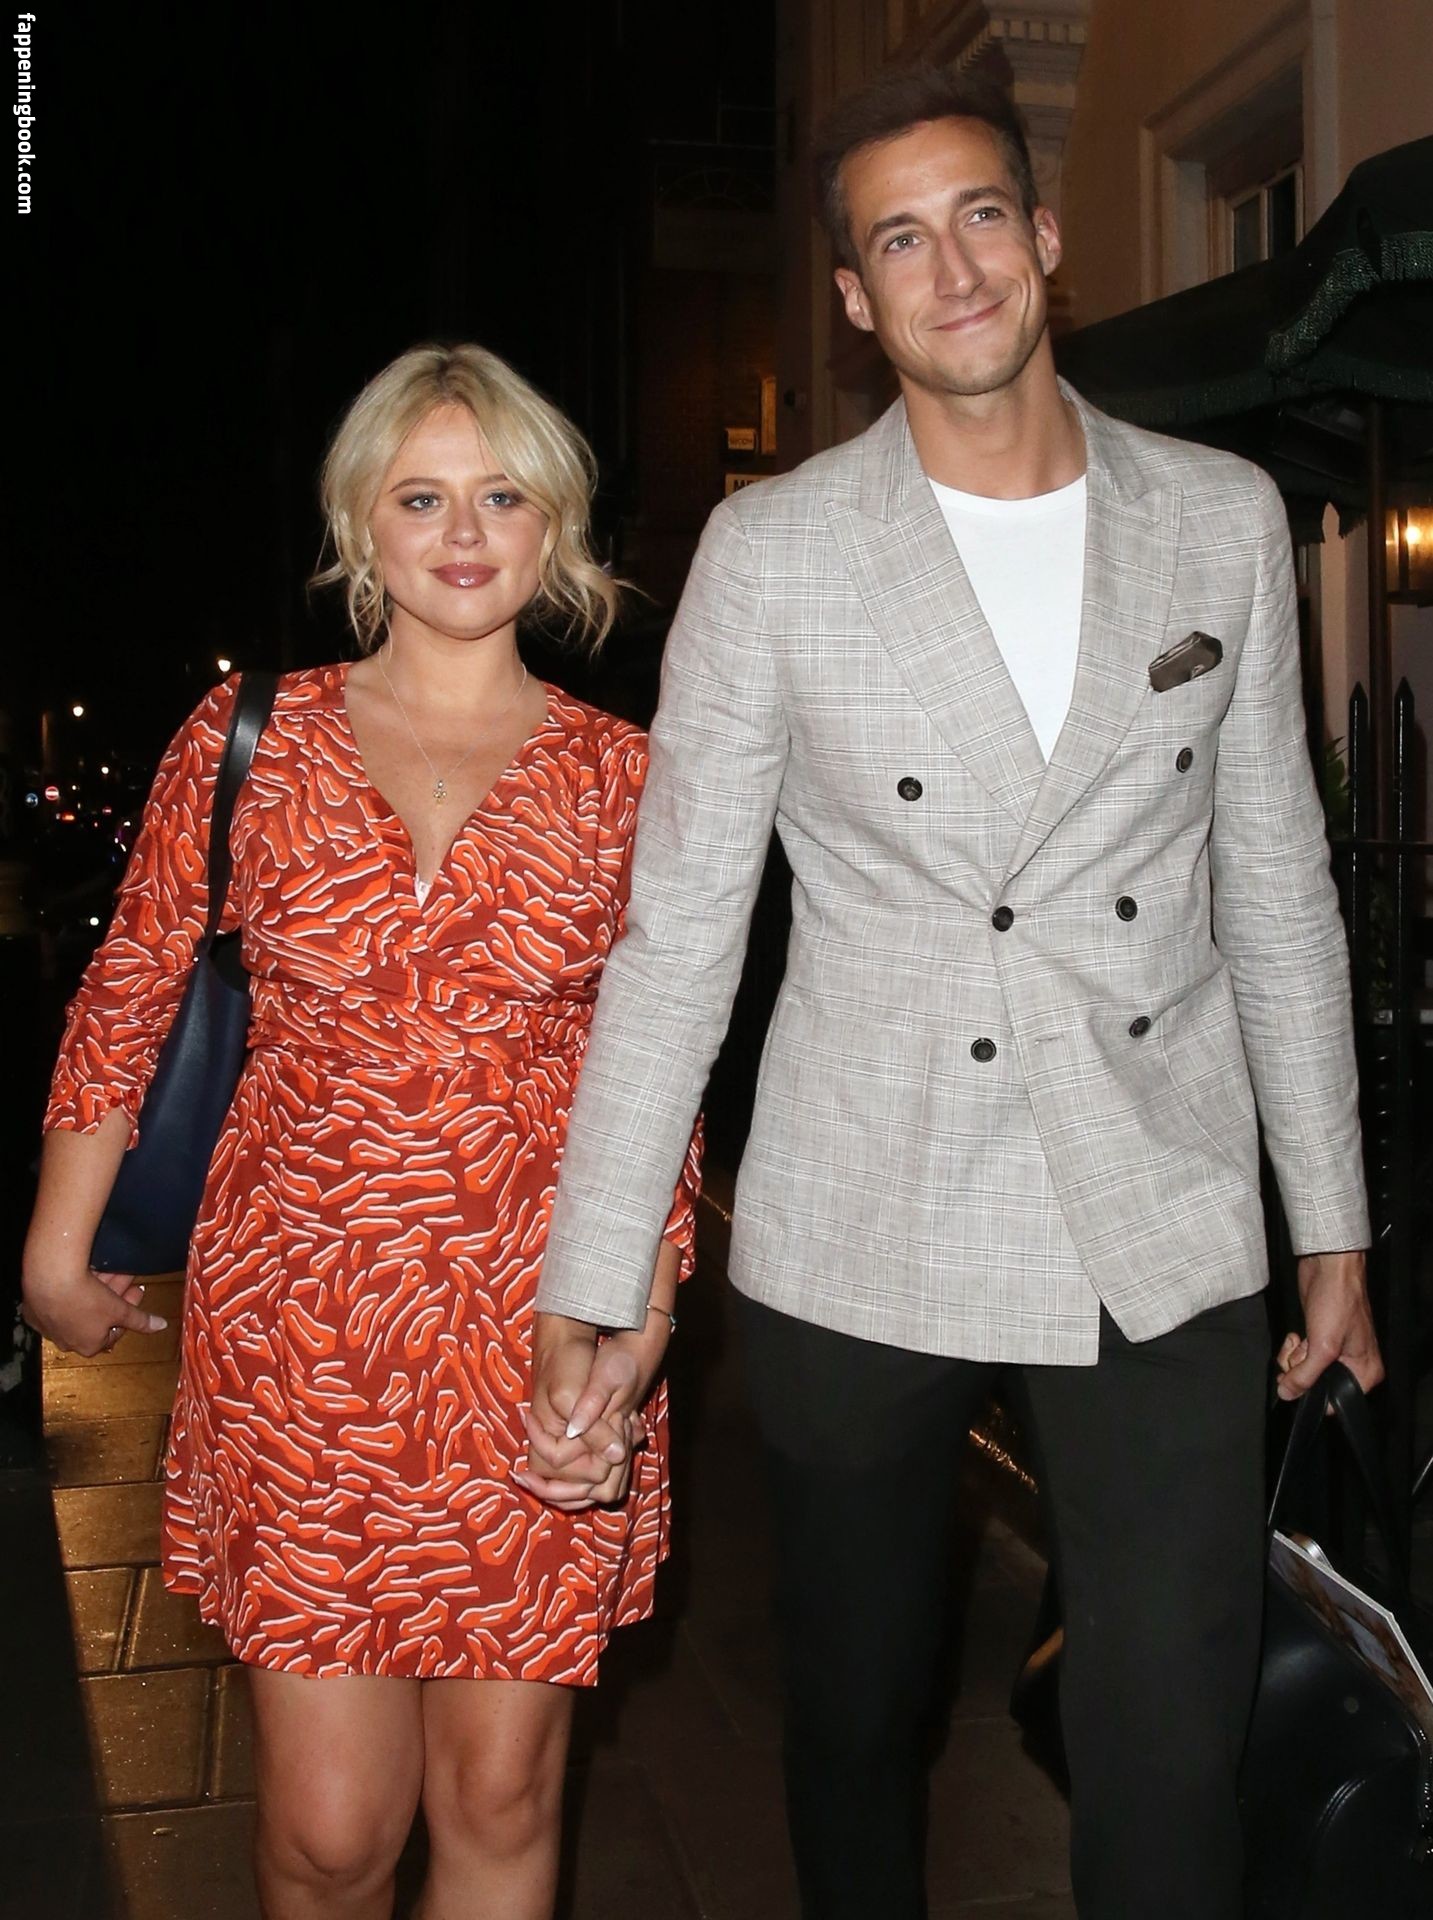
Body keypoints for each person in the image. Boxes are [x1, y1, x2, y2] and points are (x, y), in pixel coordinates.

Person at [526, 67, 1383, 1920]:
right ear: (855, 300)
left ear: (1045, 238)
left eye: (980, 214)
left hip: (1157, 1190)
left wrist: (1329, 1224)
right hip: (867, 1197)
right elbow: (681, 932)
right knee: (856, 1714)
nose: (954, 267)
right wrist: (597, 1278)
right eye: (898, 240)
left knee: (1171, 1741)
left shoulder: (1218, 515)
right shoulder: (774, 552)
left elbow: (1275, 886)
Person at [23, 343, 700, 1920]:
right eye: (421, 497)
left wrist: (637, 1329)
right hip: (299, 1333)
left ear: (555, 528)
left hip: (537, 1321)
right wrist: (56, 1251)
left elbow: (656, 1073)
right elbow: (131, 990)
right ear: (359, 525)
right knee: (331, 1835)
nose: (463, 532)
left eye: (502, 496)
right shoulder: (249, 738)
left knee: (498, 1796)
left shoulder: (630, 779)